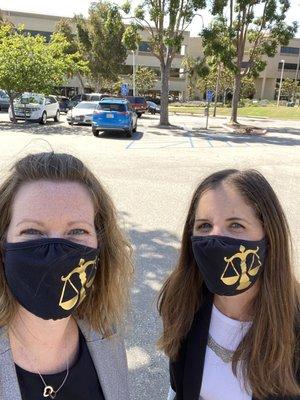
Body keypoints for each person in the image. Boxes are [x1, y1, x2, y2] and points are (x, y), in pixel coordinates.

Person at [0, 152, 133, 400]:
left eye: (76, 231)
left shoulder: (107, 338)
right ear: (3, 244)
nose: (56, 253)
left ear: (100, 246)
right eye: (31, 231)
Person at [158, 169, 300, 400]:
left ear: (269, 235)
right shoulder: (182, 302)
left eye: (235, 225)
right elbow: (177, 387)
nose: (216, 239)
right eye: (204, 226)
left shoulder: (295, 323)